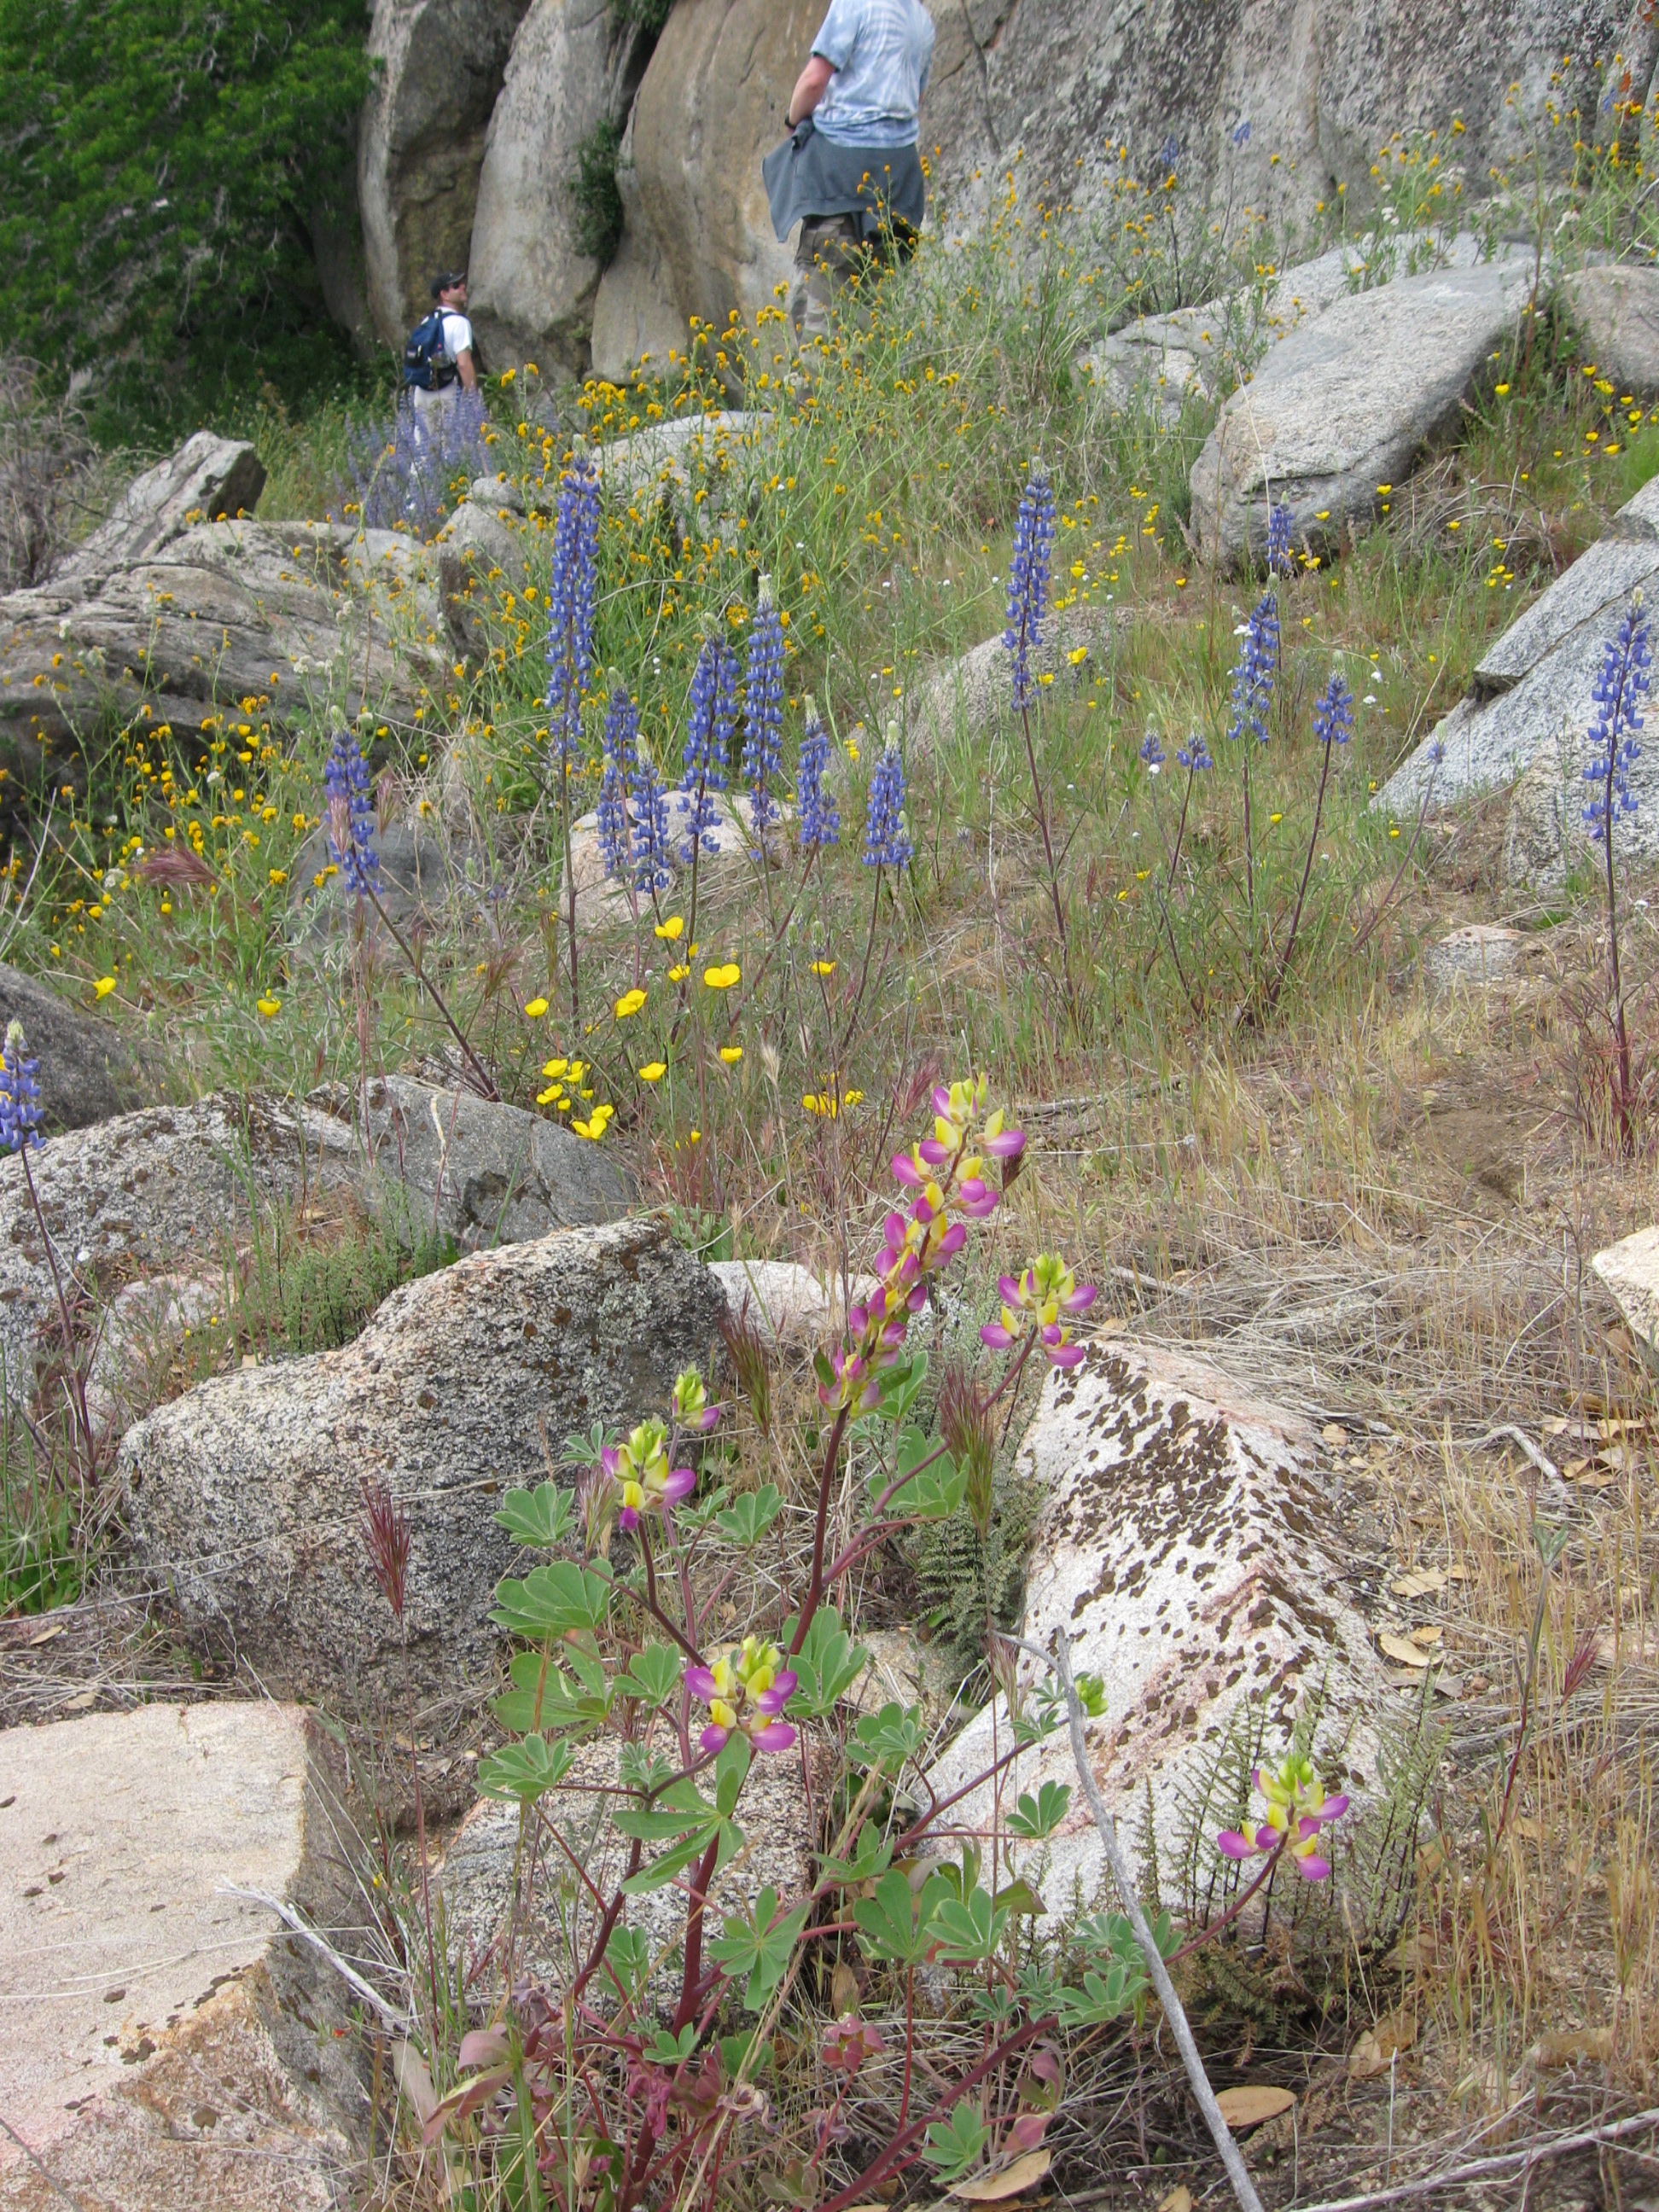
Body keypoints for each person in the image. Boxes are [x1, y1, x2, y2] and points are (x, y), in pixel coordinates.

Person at [762, 0, 935, 361]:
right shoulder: (922, 22)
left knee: (819, 325)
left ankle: (817, 397)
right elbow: (914, 99)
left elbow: (814, 81)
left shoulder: (857, 3)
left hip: (840, 184)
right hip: (897, 194)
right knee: (868, 325)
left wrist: (793, 124)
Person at [403, 271, 479, 421]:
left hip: (421, 392)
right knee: (449, 436)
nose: (463, 287)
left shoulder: (427, 321)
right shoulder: (460, 323)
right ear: (444, 295)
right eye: (456, 286)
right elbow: (464, 364)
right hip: (446, 390)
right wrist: (475, 402)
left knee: (423, 436)